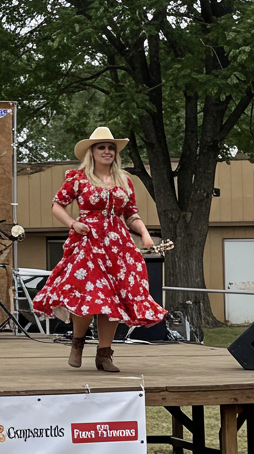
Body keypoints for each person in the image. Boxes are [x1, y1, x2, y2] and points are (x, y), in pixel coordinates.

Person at [32, 127, 166, 373]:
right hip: (88, 240)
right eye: (101, 147)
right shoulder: (79, 177)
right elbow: (57, 205)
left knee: (112, 300)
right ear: (91, 152)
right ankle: (77, 342)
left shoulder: (125, 180)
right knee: (90, 295)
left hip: (117, 244)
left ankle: (104, 354)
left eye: (111, 147)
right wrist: (73, 222)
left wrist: (145, 233)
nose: (107, 151)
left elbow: (131, 214)